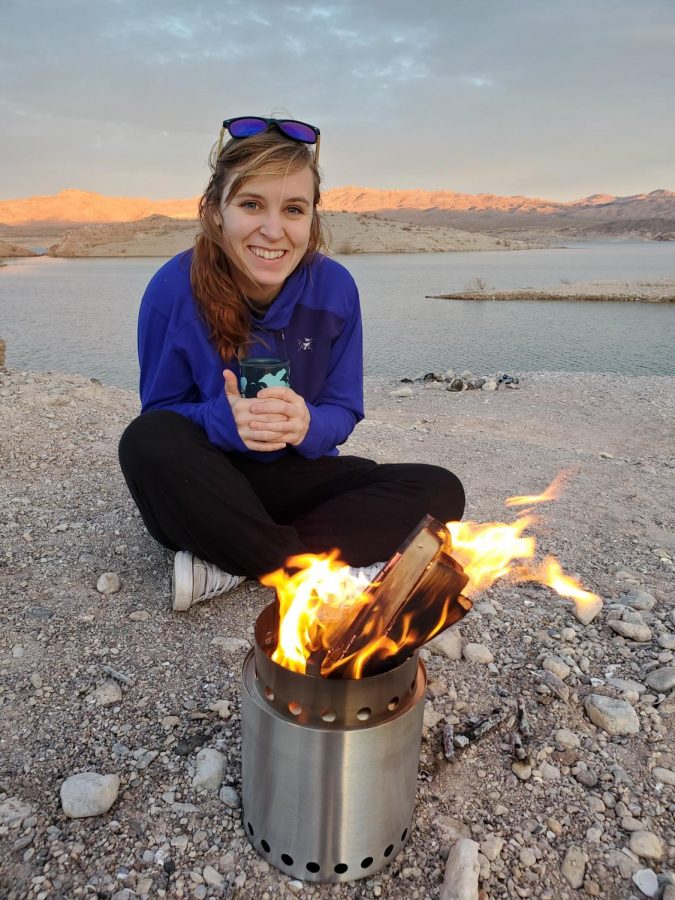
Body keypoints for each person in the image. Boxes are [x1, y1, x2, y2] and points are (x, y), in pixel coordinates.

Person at [118, 115, 465, 611]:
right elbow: (163, 414)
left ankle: (234, 560)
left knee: (438, 490)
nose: (273, 230)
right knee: (145, 441)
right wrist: (225, 419)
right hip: (213, 479)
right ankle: (305, 568)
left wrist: (306, 423)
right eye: (251, 204)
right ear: (216, 211)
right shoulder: (172, 289)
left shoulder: (335, 288)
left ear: (312, 220)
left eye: (294, 209)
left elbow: (343, 410)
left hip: (295, 476)